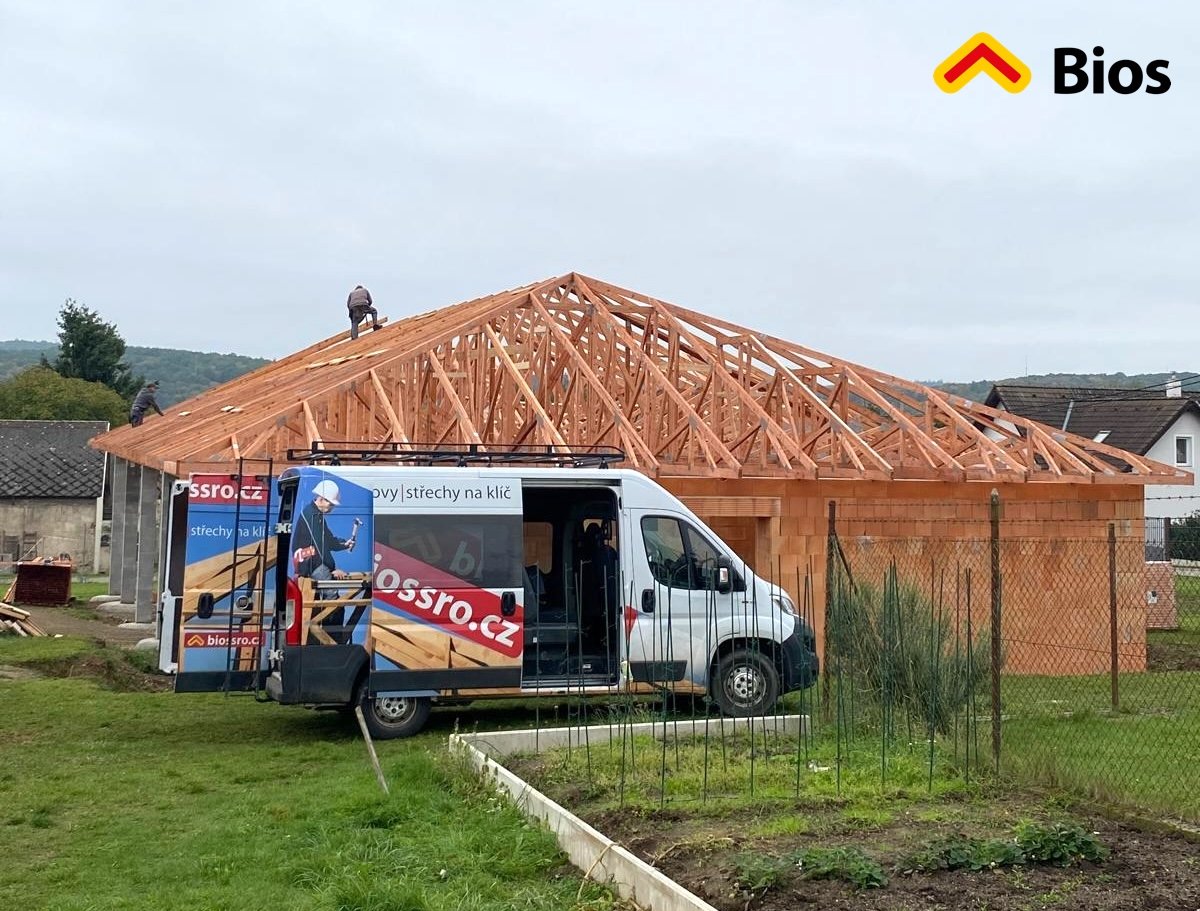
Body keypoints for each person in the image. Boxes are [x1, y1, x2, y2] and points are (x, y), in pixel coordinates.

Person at [292, 480, 359, 643]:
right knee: (333, 601)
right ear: (321, 499)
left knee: (330, 603)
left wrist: (344, 544)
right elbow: (319, 545)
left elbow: (328, 540)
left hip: (313, 563)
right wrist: (331, 569)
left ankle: (328, 638)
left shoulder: (315, 515)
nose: (332, 508)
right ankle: (332, 640)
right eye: (331, 504)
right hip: (312, 564)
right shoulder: (312, 515)